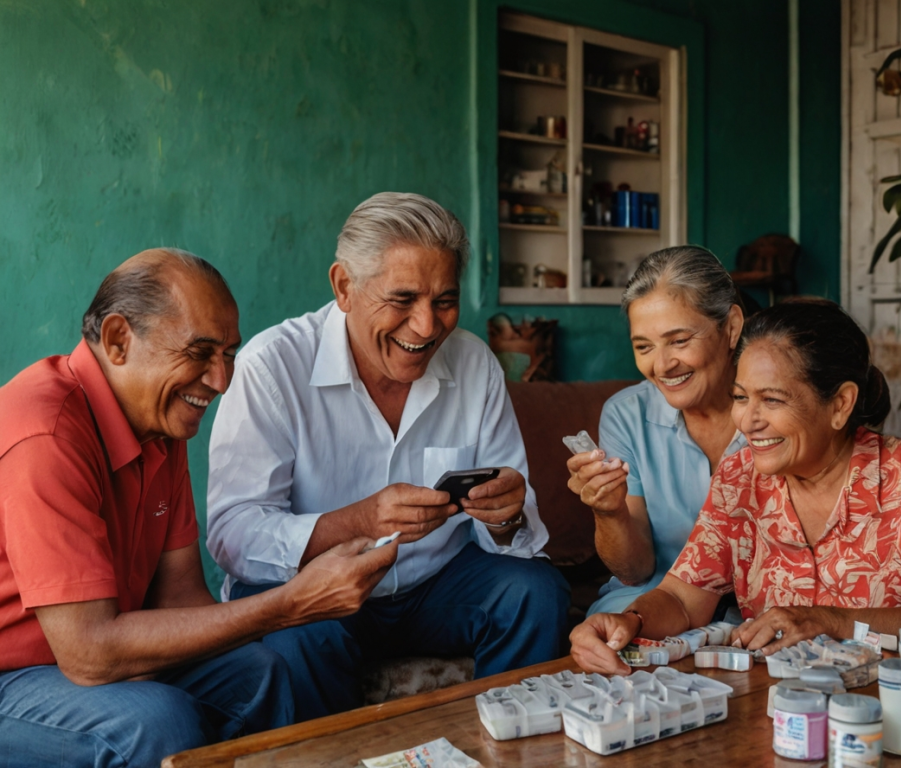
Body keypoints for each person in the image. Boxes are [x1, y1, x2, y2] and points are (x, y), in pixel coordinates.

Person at [0, 249, 398, 767]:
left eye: (228, 354)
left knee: (266, 671)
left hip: (86, 657)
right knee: (156, 720)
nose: (221, 380)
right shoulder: (46, 431)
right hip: (18, 673)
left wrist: (301, 610)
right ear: (119, 340)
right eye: (200, 352)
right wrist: (290, 603)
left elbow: (181, 596)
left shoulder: (158, 422)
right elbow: (89, 653)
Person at [207, 192, 570, 717]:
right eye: (402, 300)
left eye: (445, 300)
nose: (427, 327)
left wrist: (508, 514)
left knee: (537, 593)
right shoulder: (273, 366)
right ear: (344, 287)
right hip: (313, 589)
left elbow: (515, 530)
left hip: (434, 586)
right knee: (294, 642)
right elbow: (232, 532)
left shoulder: (475, 363)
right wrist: (356, 521)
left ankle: (509, 747)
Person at [571, 299, 901, 675]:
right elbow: (682, 599)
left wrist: (832, 621)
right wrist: (628, 621)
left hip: (893, 711)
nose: (748, 421)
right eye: (741, 397)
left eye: (772, 399)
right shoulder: (739, 478)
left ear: (840, 404)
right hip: (771, 714)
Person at [565, 246, 745, 614]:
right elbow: (634, 571)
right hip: (660, 595)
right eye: (644, 346)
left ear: (731, 327)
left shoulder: (776, 406)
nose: (662, 365)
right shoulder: (626, 415)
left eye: (679, 341)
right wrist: (609, 512)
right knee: (607, 636)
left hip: (764, 596)